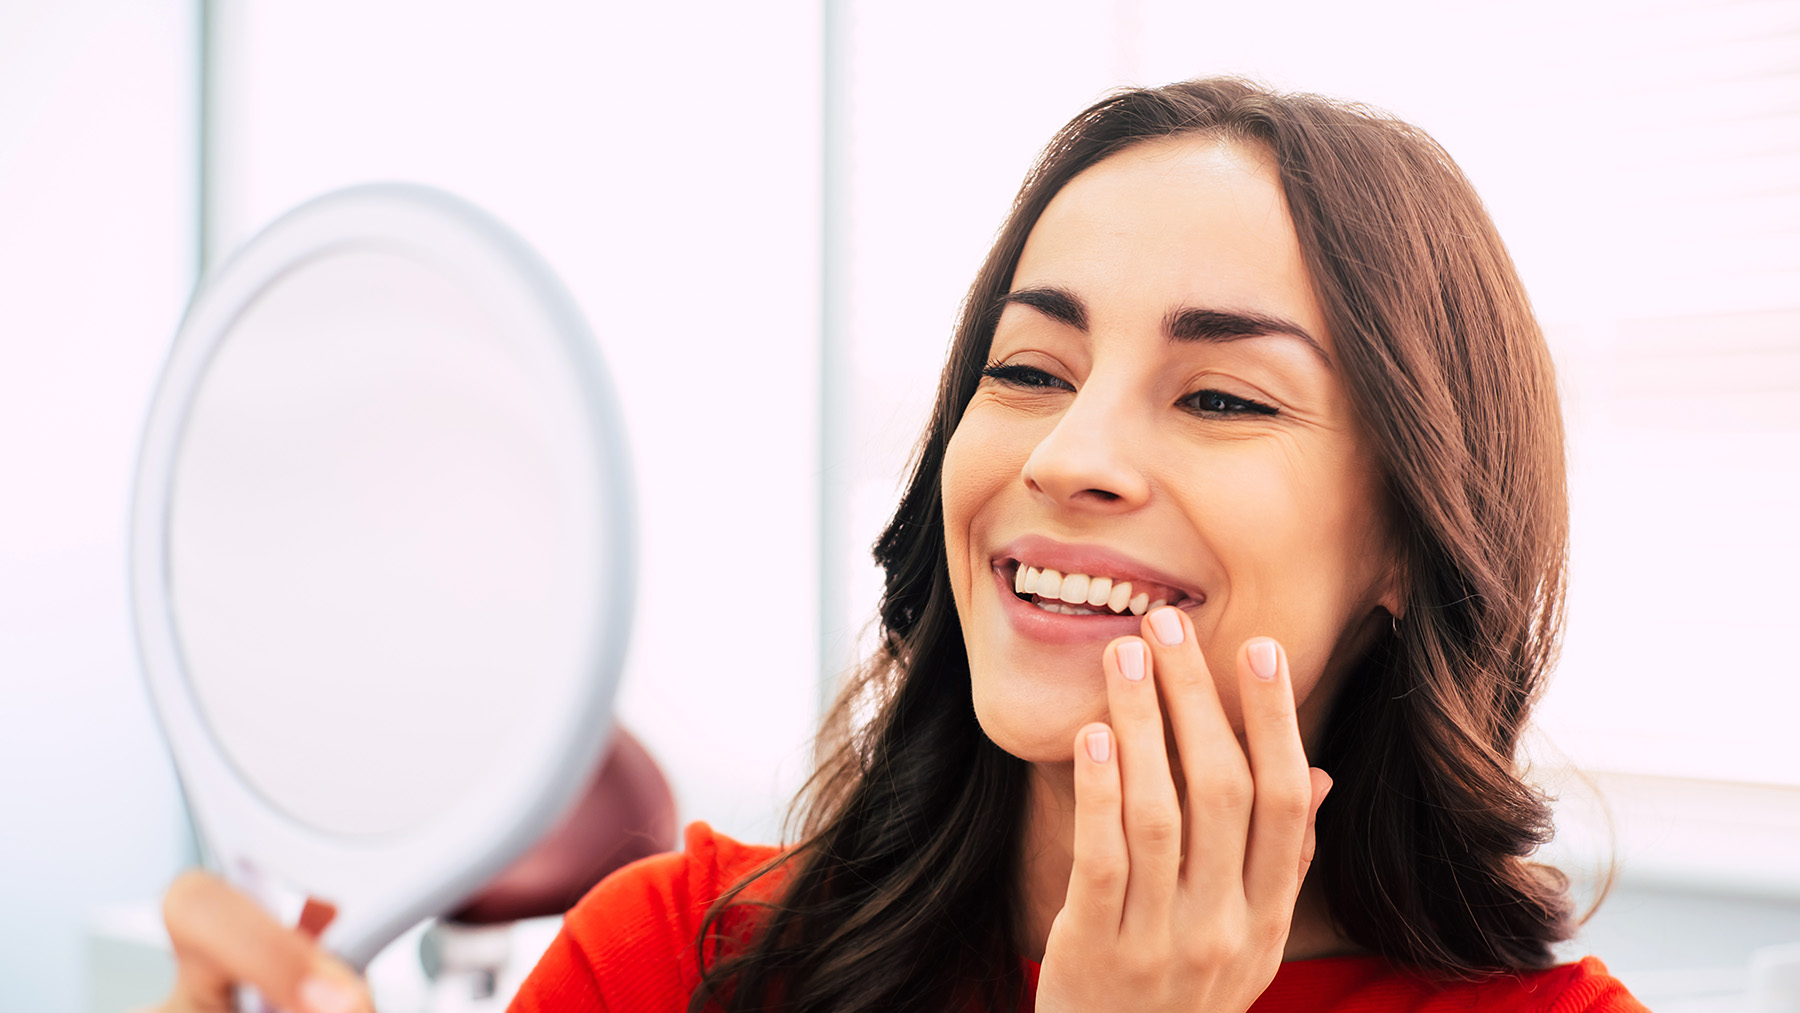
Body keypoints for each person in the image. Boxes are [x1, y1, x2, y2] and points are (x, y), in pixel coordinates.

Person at [154, 78, 1647, 1013]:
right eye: (1029, 370)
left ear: (1409, 541)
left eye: (1219, 396)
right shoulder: (673, 959)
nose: (1065, 456)